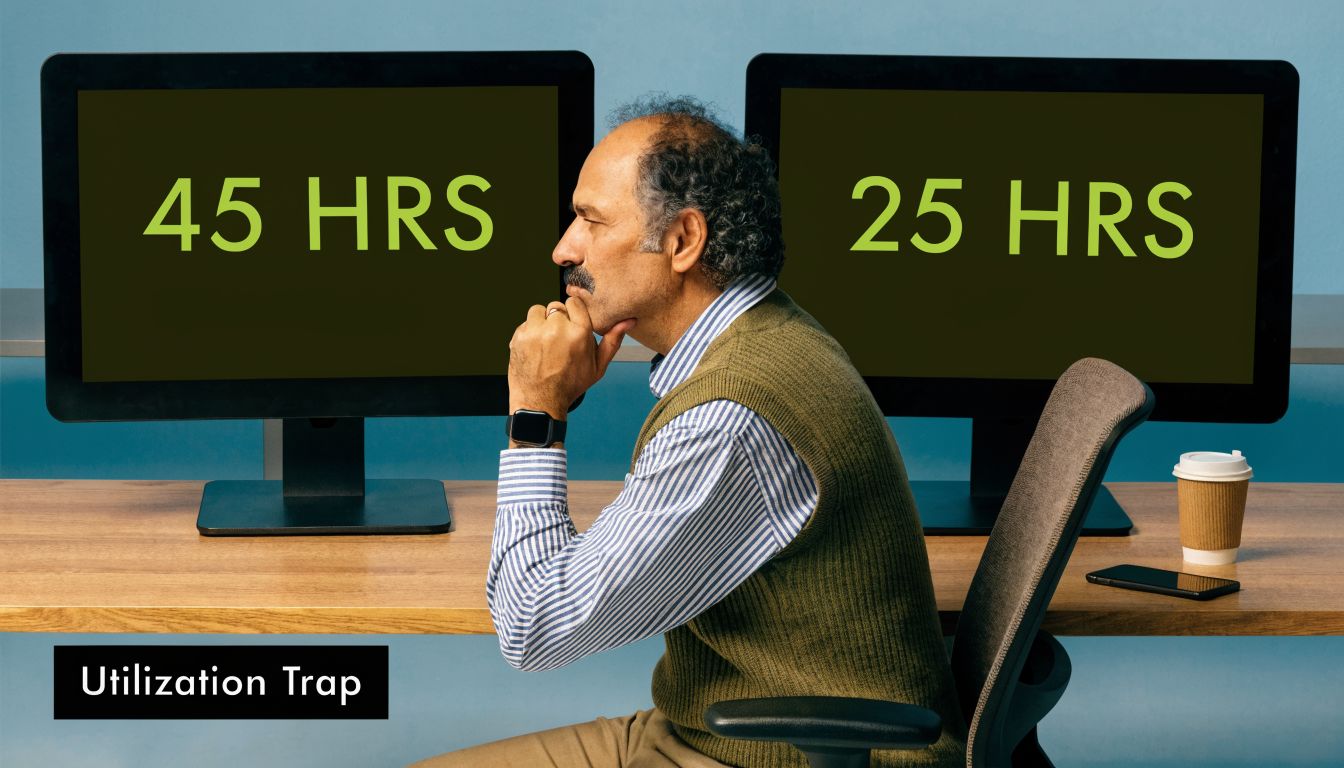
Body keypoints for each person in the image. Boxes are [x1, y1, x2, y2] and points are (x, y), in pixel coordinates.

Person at [413, 96, 964, 767]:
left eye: (591, 221)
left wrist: (536, 412)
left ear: (682, 241)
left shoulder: (729, 418)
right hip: (704, 730)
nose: (563, 249)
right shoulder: (770, 330)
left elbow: (535, 628)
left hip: (771, 756)